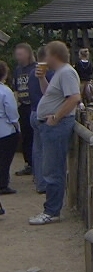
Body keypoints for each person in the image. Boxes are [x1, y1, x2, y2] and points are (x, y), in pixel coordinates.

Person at [29, 41, 81, 226]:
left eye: (46, 55)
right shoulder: (59, 74)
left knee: (53, 169)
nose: (43, 59)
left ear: (53, 55)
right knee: (49, 167)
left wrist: (57, 117)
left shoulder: (66, 72)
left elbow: (74, 97)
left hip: (56, 126)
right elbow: (48, 94)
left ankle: (52, 211)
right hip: (48, 125)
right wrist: (42, 78)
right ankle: (51, 209)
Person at [29, 46, 54, 194]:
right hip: (44, 115)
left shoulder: (32, 72)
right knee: (46, 151)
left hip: (33, 112)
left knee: (37, 150)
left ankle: (39, 181)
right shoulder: (48, 72)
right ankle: (45, 183)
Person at [12, 43, 36, 176]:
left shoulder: (35, 68)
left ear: (27, 54)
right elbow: (15, 88)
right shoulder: (17, 70)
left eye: (20, 54)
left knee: (34, 136)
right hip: (22, 106)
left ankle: (36, 163)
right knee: (25, 136)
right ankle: (28, 164)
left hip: (32, 106)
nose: (18, 57)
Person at [0, 61, 21, 200]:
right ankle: (3, 184)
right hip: (5, 129)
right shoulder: (5, 91)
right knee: (4, 159)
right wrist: (16, 124)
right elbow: (12, 111)